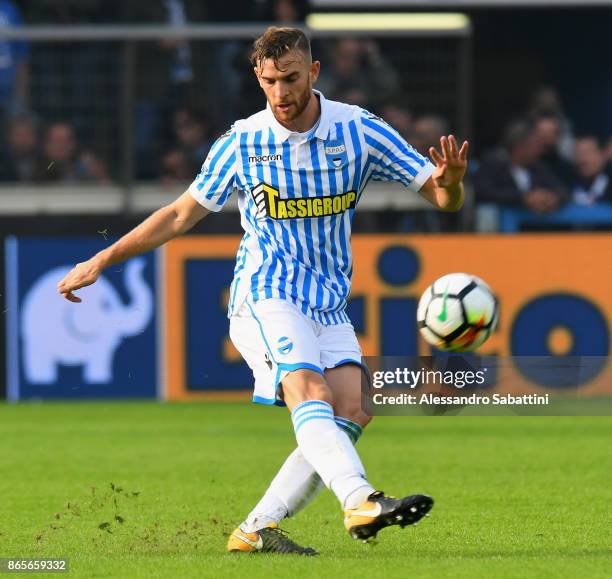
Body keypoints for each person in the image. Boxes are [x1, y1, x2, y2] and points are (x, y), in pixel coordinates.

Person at [57, 27, 468, 555]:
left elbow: (441, 197)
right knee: (310, 391)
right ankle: (360, 498)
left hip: (327, 300)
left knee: (353, 407)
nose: (281, 93)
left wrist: (451, 181)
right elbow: (181, 213)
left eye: (292, 79)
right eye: (270, 81)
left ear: (314, 73)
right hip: (266, 292)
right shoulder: (243, 141)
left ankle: (256, 529)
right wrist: (102, 259)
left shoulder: (359, 130)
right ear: (258, 76)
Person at [473, 119, 567, 214]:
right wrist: (523, 198)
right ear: (520, 146)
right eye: (534, 145)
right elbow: (482, 192)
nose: (539, 150)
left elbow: (562, 190)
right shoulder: (493, 165)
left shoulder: (538, 167)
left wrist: (552, 198)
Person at [571, 136, 612, 206]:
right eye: (578, 153)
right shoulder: (566, 182)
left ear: (603, 154)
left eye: (589, 153)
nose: (583, 159)